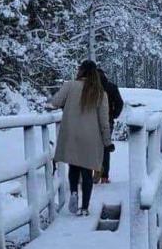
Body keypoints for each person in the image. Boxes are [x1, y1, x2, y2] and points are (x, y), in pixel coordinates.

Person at [48, 60, 113, 217]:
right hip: (91, 138)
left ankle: (73, 193)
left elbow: (55, 102)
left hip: (71, 134)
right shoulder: (100, 93)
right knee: (87, 172)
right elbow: (104, 121)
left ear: (81, 71)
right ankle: (84, 208)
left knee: (74, 167)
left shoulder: (70, 85)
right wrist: (107, 142)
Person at [97, 68, 124, 184]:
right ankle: (104, 175)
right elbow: (119, 102)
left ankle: (91, 172)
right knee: (105, 147)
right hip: (108, 121)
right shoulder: (111, 87)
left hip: (90, 122)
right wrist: (114, 114)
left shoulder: (88, 88)